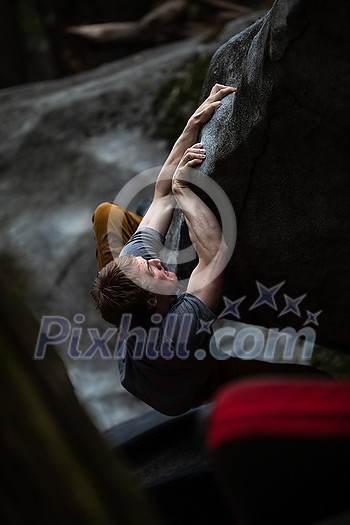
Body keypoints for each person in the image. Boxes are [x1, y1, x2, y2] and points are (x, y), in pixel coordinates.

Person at [91, 84, 327, 416]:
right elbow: (214, 255)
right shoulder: (179, 331)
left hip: (142, 334)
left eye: (147, 262)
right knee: (311, 382)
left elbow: (160, 196)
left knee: (107, 215)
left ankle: (116, 290)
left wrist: (193, 123)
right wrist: (184, 191)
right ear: (153, 303)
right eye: (154, 271)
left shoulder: (138, 263)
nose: (156, 261)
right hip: (186, 389)